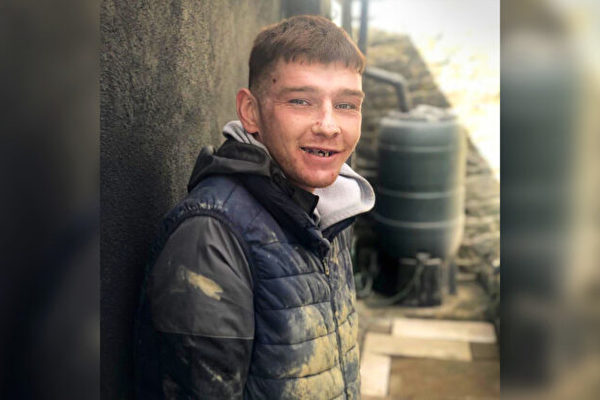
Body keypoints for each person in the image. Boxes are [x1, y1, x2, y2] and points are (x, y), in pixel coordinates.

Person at [135, 15, 375, 399]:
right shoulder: (211, 235)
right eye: (301, 101)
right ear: (250, 111)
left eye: (346, 104)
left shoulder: (329, 206)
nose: (329, 126)